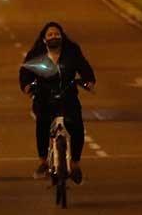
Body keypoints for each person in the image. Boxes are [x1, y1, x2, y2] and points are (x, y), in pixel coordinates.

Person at [17, 22, 95, 183]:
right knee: (42, 124)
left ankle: (75, 164)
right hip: (44, 97)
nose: (54, 37)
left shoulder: (72, 51)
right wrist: (27, 86)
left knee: (77, 127)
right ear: (44, 39)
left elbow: (84, 67)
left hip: (68, 96)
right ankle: (43, 161)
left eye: (57, 34)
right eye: (50, 34)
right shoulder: (37, 54)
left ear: (62, 36)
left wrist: (88, 81)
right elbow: (25, 72)